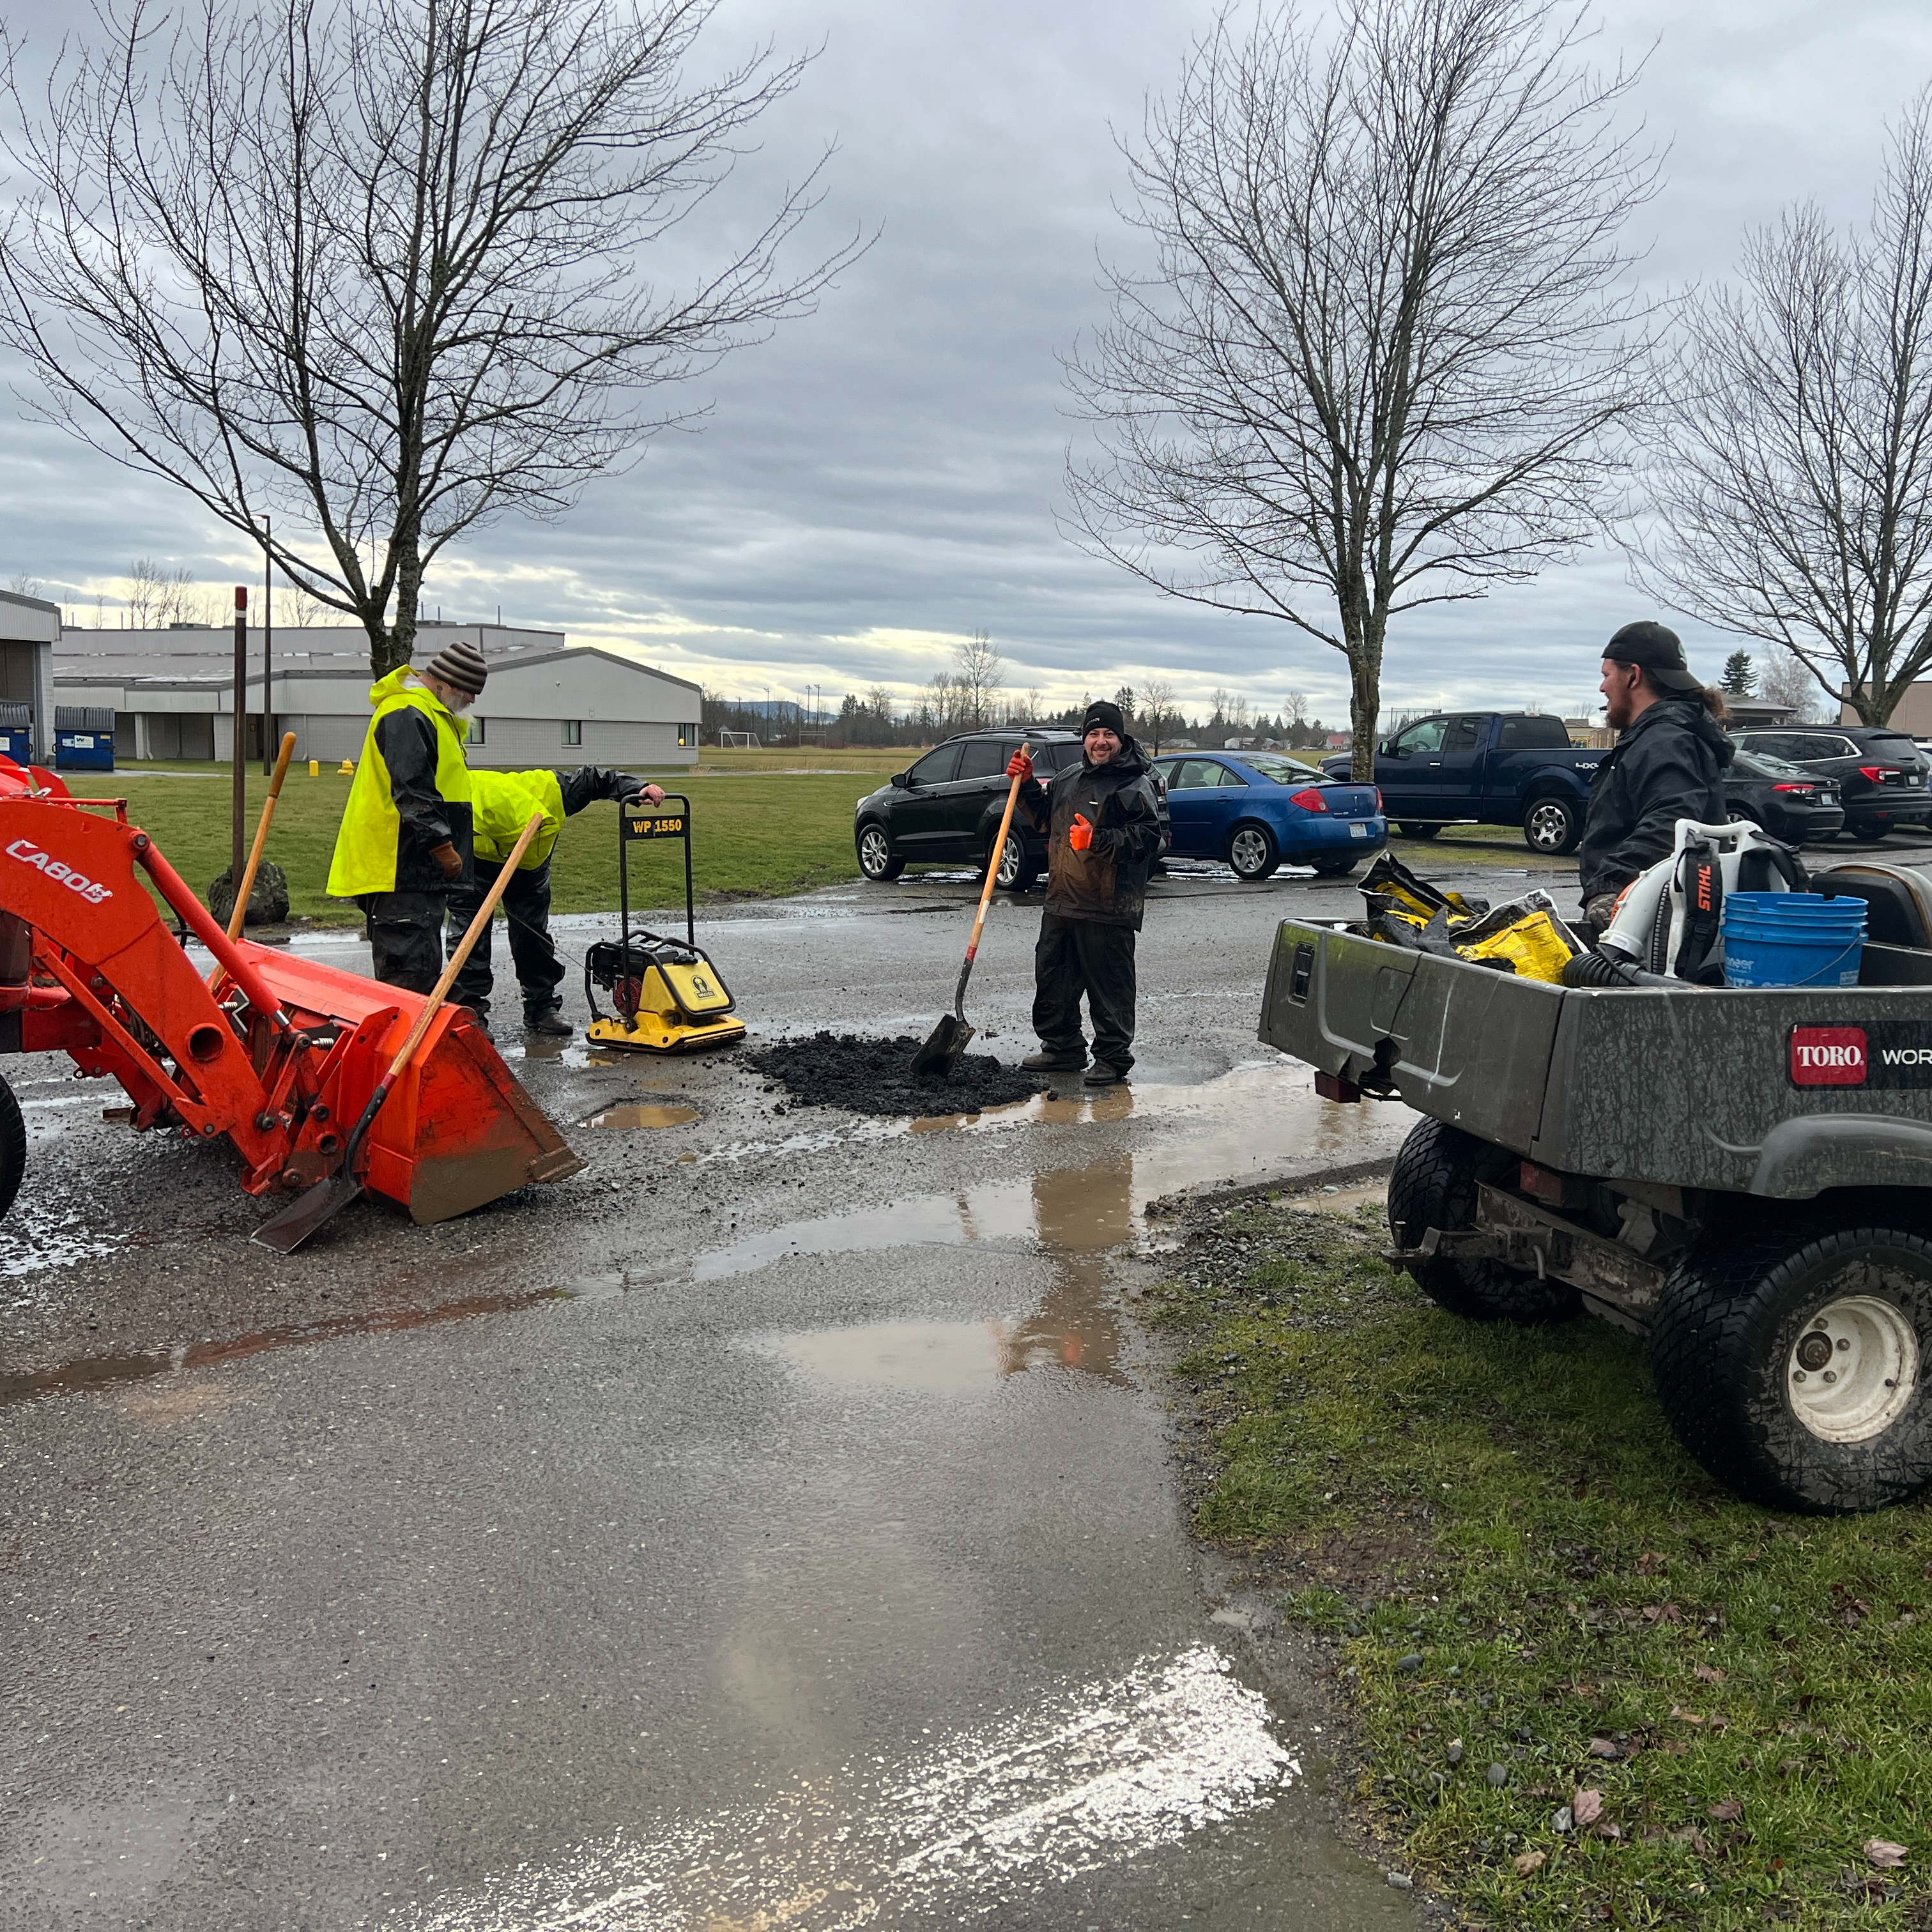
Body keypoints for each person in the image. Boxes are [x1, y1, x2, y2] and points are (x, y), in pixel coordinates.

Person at [1006, 699, 1164, 1085]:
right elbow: (1044, 818)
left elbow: (1148, 839)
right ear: (1084, 738)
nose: (1101, 741)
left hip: (1108, 904)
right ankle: (1062, 1048)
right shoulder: (1069, 778)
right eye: (1094, 733)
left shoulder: (1133, 783)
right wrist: (1025, 784)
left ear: (1121, 737)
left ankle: (1112, 1056)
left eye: (1109, 734)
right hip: (1062, 899)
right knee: (1053, 977)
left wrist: (1098, 839)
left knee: (1109, 984)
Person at [451, 765, 666, 1036]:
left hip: (530, 867)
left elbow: (593, 778)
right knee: (470, 937)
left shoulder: (553, 791)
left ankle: (541, 1008)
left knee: (532, 935)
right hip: (474, 865)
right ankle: (470, 1013)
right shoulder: (462, 793)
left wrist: (636, 787)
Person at [326, 640, 487, 993]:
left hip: (412, 864)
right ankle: (406, 1044)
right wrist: (441, 845)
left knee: (420, 963)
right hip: (398, 863)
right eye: (469, 691)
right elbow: (413, 788)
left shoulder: (429, 714)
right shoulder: (408, 713)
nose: (473, 701)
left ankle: (416, 1041)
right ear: (445, 683)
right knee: (408, 972)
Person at [1578, 620, 1734, 930]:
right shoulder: (1661, 736)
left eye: (1607, 675)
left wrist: (1611, 887)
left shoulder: (1664, 741)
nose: (1602, 687)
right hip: (1655, 912)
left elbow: (1673, 821)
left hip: (1652, 923)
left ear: (1633, 675)